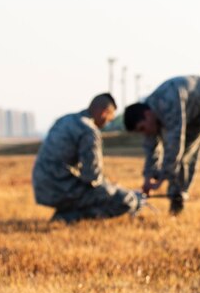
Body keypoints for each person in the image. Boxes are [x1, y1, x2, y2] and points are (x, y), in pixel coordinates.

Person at [122, 76, 200, 216]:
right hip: (193, 114)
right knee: (183, 160)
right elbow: (151, 149)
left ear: (147, 115)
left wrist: (161, 179)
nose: (144, 133)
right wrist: (148, 178)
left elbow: (174, 145)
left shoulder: (167, 103)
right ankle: (177, 202)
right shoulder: (150, 115)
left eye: (142, 128)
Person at [31, 93, 144, 223]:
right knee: (125, 200)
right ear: (104, 113)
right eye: (109, 119)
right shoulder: (89, 131)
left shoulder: (65, 120)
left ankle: (67, 212)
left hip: (42, 186)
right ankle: (68, 217)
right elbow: (92, 177)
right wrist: (129, 195)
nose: (107, 124)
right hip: (61, 188)